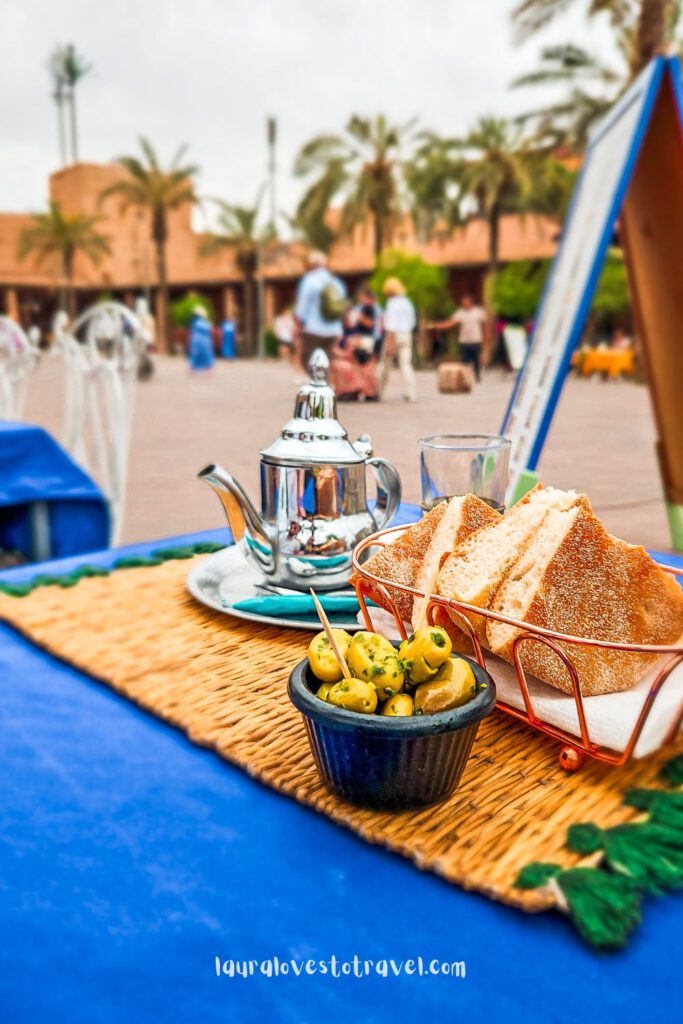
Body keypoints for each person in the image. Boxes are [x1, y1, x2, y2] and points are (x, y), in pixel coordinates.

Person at [294, 251, 347, 367]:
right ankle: (325, 383)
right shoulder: (336, 282)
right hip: (334, 330)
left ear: (311, 264)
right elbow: (342, 306)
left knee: (309, 362)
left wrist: (297, 326)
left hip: (314, 330)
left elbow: (302, 307)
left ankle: (319, 383)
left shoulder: (309, 280)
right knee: (327, 363)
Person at [430, 294, 488, 382]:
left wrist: (485, 337)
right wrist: (437, 325)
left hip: (475, 341)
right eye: (463, 303)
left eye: (466, 302)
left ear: (471, 303)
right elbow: (450, 323)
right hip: (464, 341)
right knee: (464, 361)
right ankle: (465, 378)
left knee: (476, 360)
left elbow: (484, 324)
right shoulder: (460, 313)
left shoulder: (478, 312)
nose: (465, 304)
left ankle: (477, 376)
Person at [380, 277, 417, 403]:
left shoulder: (392, 303)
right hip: (406, 334)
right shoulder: (407, 303)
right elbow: (413, 322)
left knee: (386, 364)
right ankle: (410, 393)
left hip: (394, 335)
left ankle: (380, 391)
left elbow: (391, 325)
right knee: (406, 364)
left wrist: (390, 343)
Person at [187, 305, 215, 372]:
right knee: (199, 353)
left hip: (200, 340)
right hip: (200, 340)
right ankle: (196, 367)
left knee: (202, 353)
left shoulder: (198, 322)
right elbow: (208, 328)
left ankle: (205, 367)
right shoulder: (198, 322)